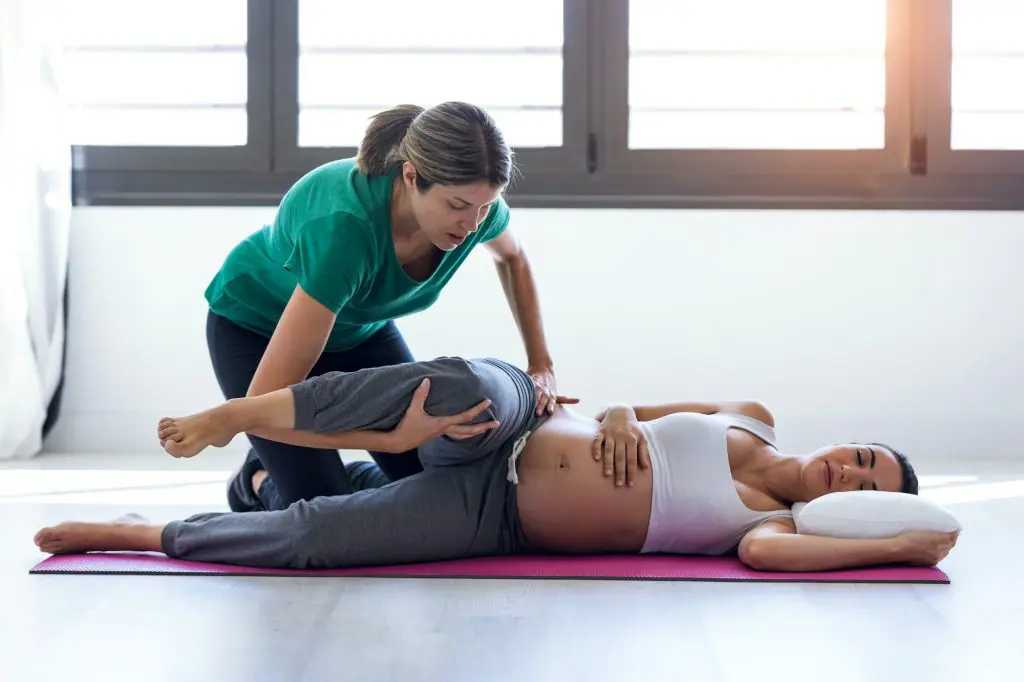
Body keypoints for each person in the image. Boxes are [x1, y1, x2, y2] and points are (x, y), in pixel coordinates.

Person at [34, 357, 959, 573]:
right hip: (517, 422)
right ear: (852, 439)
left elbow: (766, 564)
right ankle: (236, 421)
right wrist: (627, 418)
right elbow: (625, 400)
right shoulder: (749, 419)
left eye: (867, 490)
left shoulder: (771, 527)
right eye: (865, 458)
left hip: (497, 518)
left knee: (327, 540)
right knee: (444, 386)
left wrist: (906, 544)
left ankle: (145, 532)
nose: (851, 474)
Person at [201, 100, 569, 513]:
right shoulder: (344, 231)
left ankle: (316, 474)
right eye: (458, 207)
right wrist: (391, 438)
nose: (472, 226)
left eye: (484, 207)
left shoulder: (477, 210)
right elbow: (257, 410)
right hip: (255, 327)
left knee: (447, 493)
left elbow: (513, 259)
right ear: (411, 176)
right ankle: (258, 480)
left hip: (358, 332)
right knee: (333, 517)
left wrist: (542, 364)